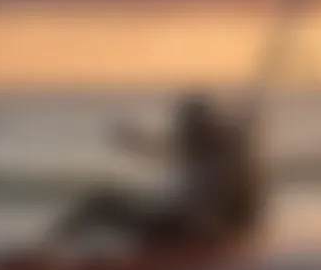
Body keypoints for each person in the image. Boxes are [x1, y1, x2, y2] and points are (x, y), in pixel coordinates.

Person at [47, 92, 263, 252]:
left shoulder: (228, 154)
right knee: (100, 202)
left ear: (206, 125)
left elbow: (244, 207)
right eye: (185, 125)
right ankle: (52, 250)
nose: (186, 130)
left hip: (206, 235)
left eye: (192, 125)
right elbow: (161, 148)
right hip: (177, 226)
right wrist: (132, 139)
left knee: (155, 233)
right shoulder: (193, 146)